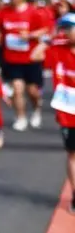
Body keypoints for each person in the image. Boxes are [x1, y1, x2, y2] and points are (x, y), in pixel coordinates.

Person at [0, 0, 50, 131]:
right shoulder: (4, 12)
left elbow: (45, 30)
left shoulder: (34, 12)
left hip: (30, 57)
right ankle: (21, 117)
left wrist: (30, 35)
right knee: (17, 89)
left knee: (32, 91)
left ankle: (36, 109)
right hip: (12, 58)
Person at [49, 13, 75, 213]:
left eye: (70, 27)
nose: (66, 32)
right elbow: (35, 56)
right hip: (68, 111)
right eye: (63, 28)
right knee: (73, 154)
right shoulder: (57, 50)